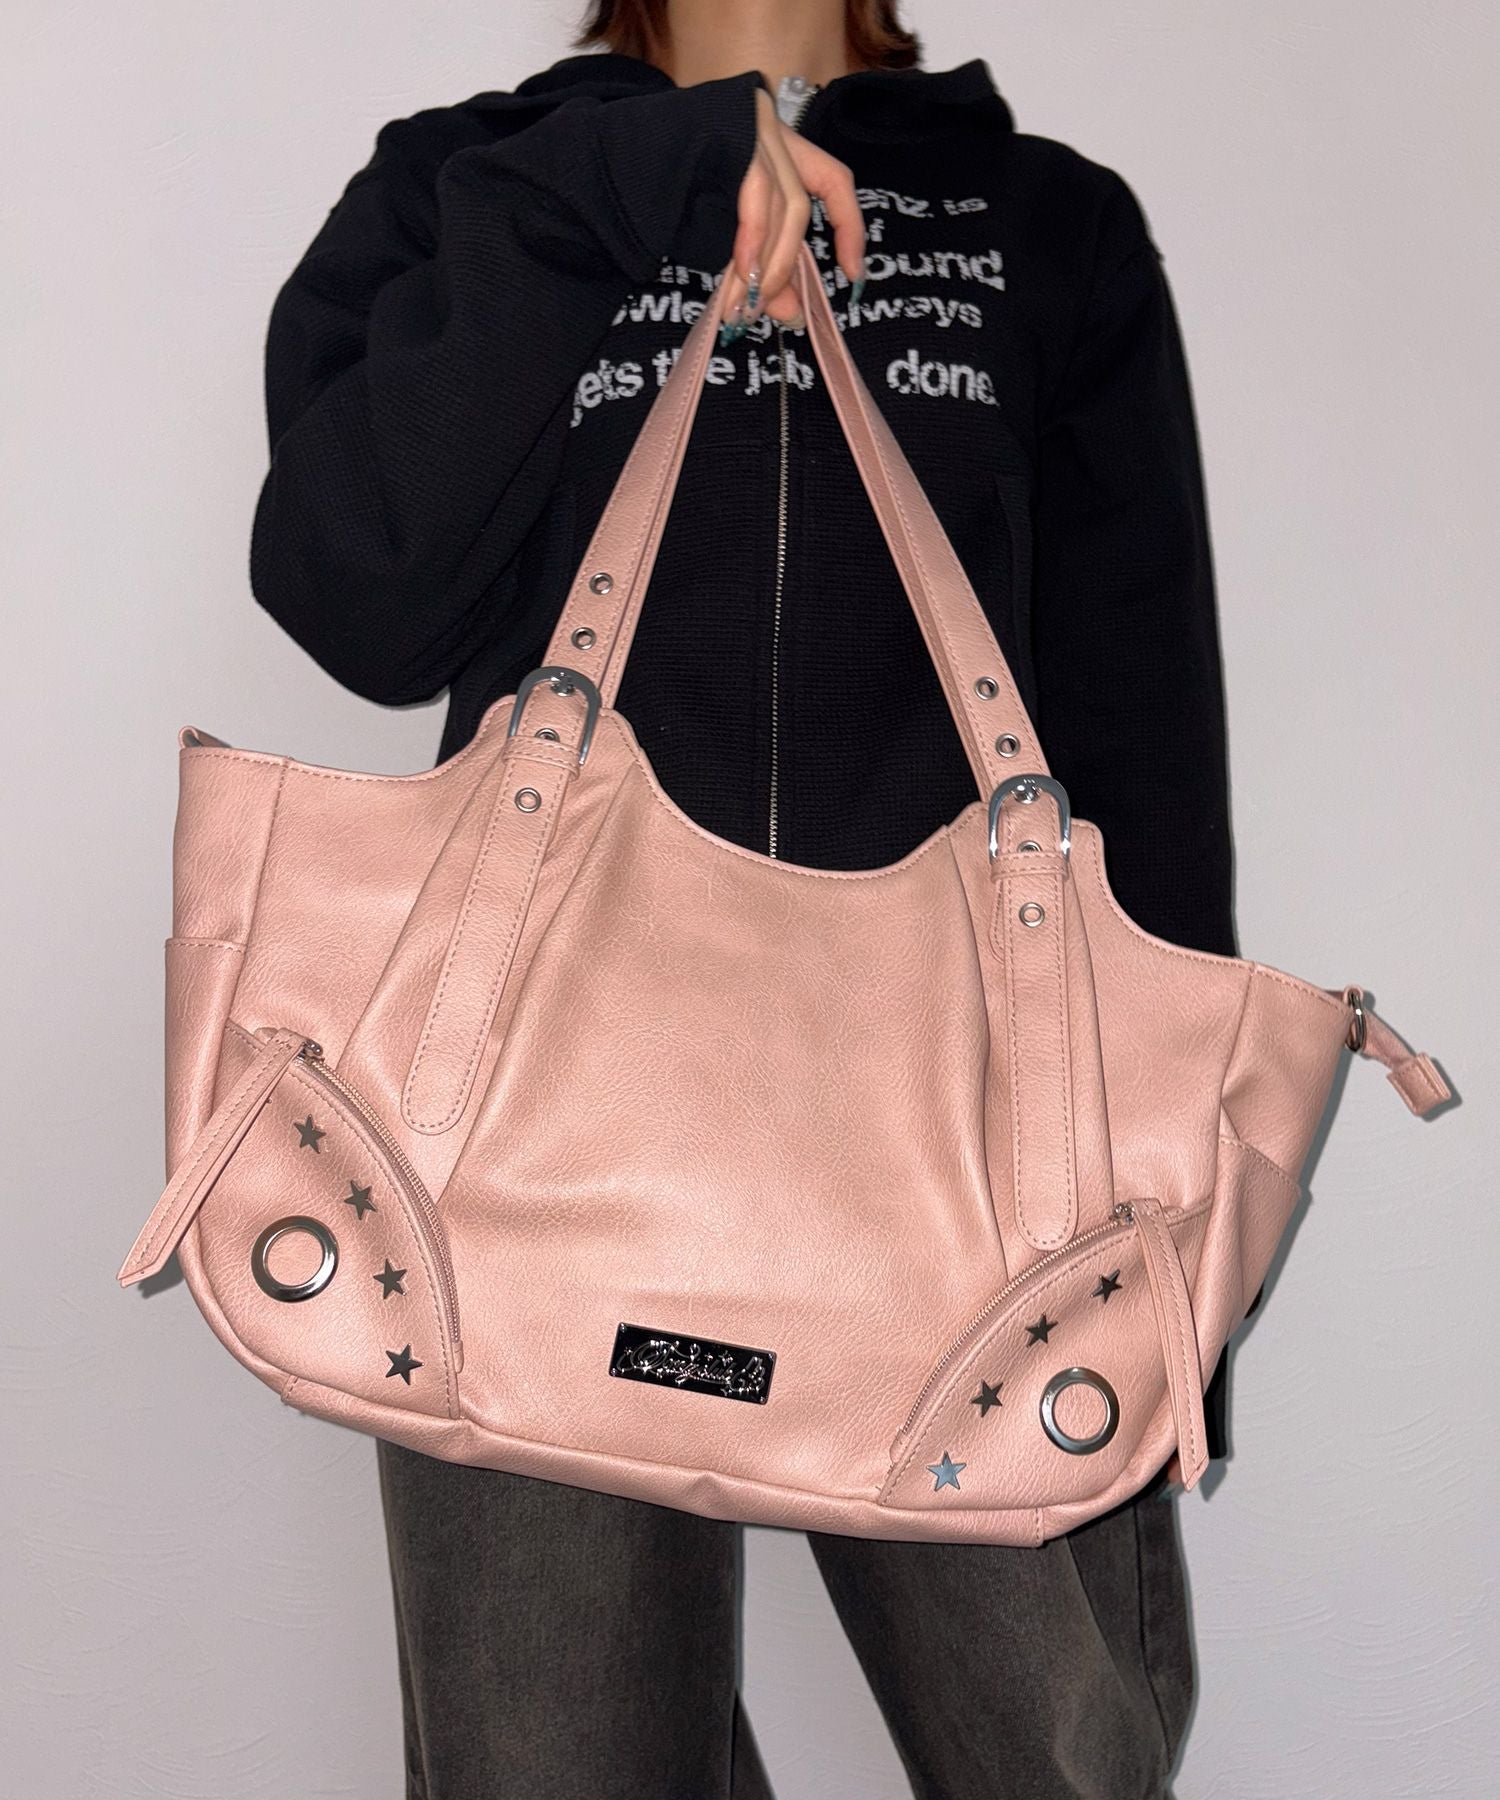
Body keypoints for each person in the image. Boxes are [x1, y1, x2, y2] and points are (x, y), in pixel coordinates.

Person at [250, 2, 1240, 1793]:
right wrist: (644, 175)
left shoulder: (1042, 219)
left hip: (968, 1147)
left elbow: (1143, 747)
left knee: (1056, 1762)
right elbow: (353, 586)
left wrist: (1178, 1257)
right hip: (527, 1141)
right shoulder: (480, 181)